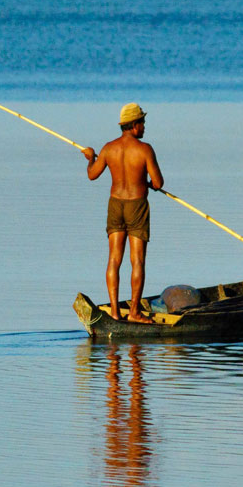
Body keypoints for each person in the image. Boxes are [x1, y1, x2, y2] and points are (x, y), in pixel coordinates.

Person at [82, 103, 164, 323]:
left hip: (115, 205)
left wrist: (91, 158)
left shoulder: (109, 148)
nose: (144, 126)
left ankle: (115, 312)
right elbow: (158, 183)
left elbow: (92, 175)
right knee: (137, 261)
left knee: (114, 259)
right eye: (142, 122)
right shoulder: (145, 149)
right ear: (134, 125)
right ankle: (134, 312)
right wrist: (149, 184)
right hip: (136, 206)